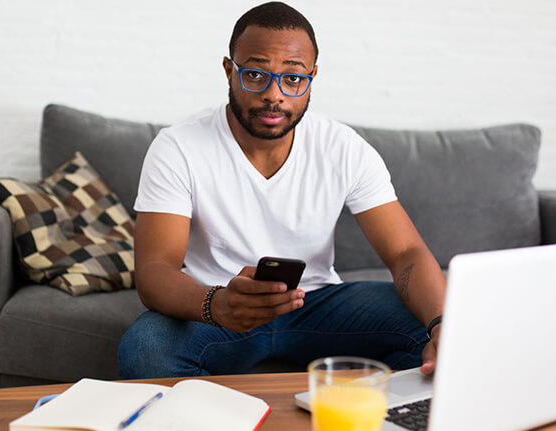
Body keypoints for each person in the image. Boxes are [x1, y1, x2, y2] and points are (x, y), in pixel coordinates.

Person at [117, 1, 446, 379]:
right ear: (229, 71)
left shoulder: (343, 146)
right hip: (219, 304)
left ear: (312, 78)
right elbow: (156, 269)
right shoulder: (178, 147)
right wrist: (215, 303)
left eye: (292, 79)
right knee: (145, 347)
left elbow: (405, 250)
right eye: (255, 74)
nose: (274, 94)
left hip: (317, 302)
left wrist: (441, 324)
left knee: (434, 329)